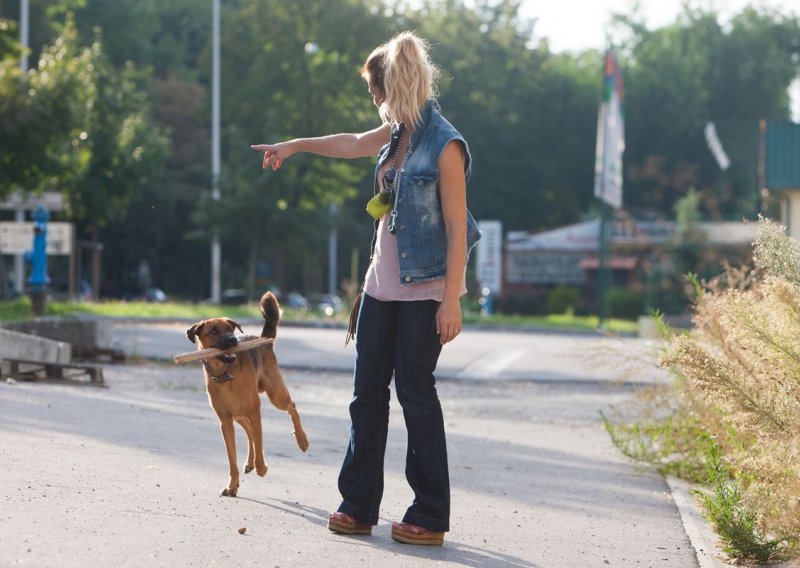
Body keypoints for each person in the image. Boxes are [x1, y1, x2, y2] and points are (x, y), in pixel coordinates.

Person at [251, 31, 480, 546]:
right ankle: (358, 504)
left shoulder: (445, 144)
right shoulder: (394, 135)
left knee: (415, 393)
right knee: (365, 396)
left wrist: (452, 301)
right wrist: (294, 146)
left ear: (394, 85)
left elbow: (458, 226)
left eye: (376, 93)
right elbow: (351, 144)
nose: (373, 103)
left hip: (425, 293)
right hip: (380, 291)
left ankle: (430, 511)